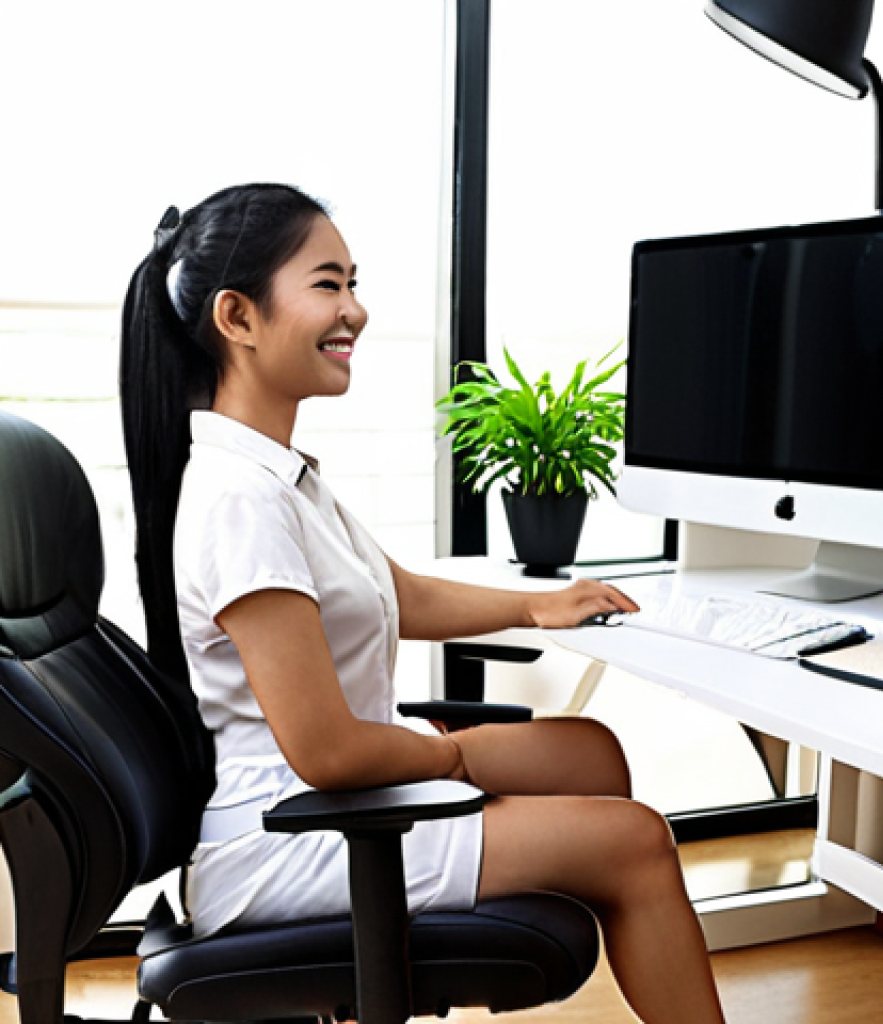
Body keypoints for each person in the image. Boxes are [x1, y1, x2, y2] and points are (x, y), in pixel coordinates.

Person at [119, 183, 726, 1024]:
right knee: (636, 840)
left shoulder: (279, 474)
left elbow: (392, 592)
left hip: (329, 803)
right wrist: (450, 759)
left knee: (591, 755)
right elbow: (327, 753)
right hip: (292, 836)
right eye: (327, 284)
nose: (355, 311)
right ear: (238, 317)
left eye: (353, 283)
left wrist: (537, 607)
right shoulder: (239, 501)